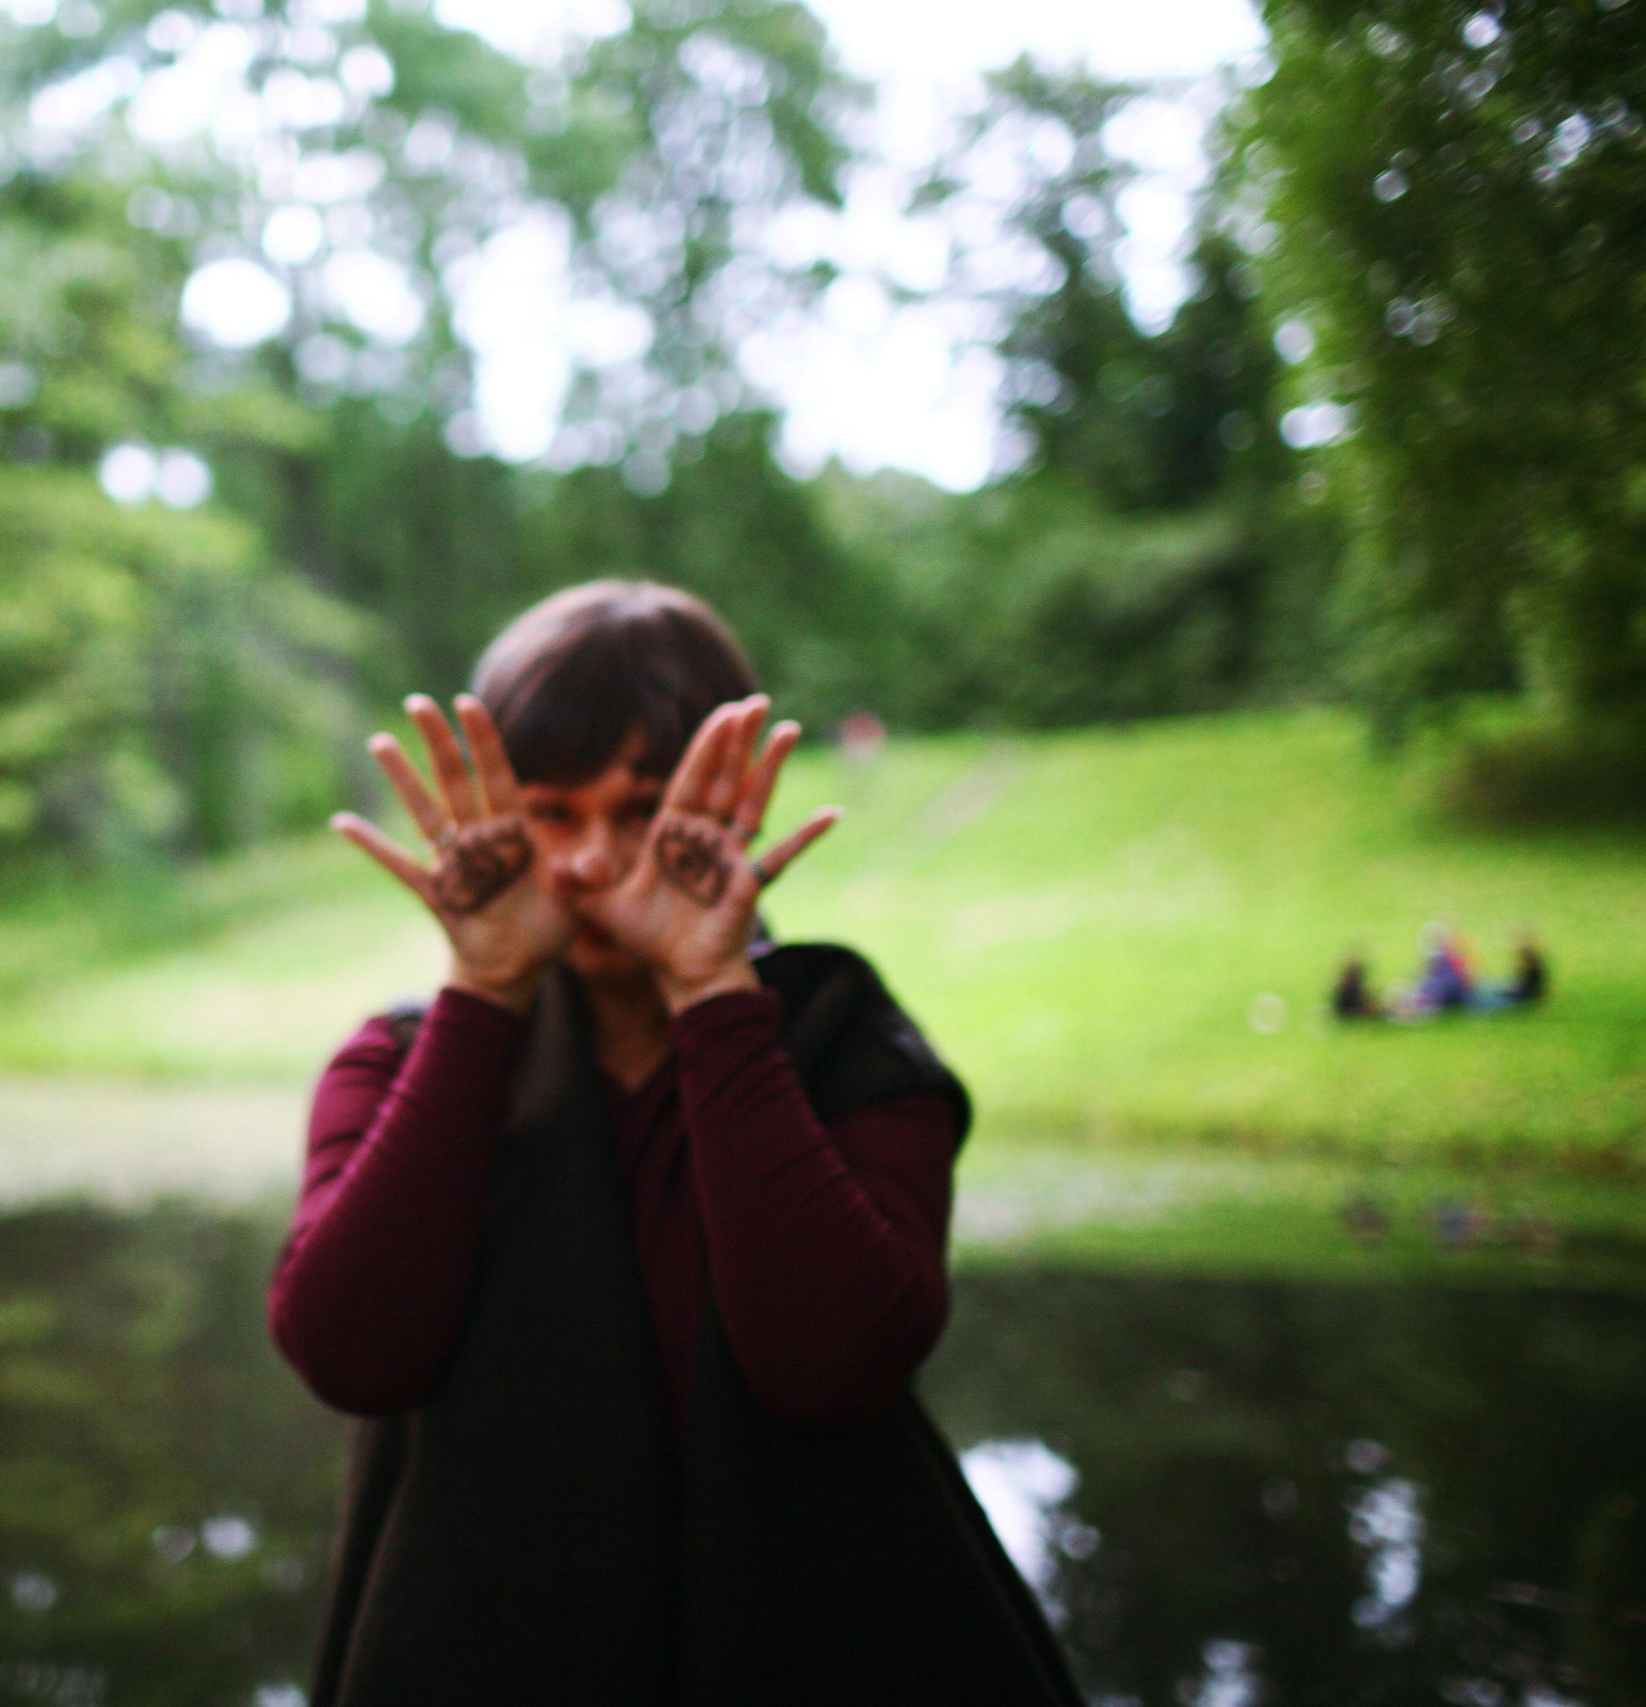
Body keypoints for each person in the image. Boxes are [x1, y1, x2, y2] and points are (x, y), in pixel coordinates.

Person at [270, 582, 1080, 1706]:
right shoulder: (407, 1060)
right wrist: (484, 994)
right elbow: (354, 1356)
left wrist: (709, 985)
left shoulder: (846, 1041)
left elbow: (831, 1368)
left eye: (644, 809)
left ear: (730, 803)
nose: (592, 860)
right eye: (550, 813)